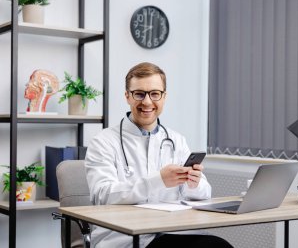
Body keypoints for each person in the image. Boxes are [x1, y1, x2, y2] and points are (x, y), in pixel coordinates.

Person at [85, 62, 233, 248]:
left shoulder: (176, 140)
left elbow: (204, 193)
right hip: (124, 238)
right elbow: (102, 196)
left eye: (155, 94)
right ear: (127, 97)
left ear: (164, 97)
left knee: (218, 245)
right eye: (139, 94)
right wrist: (158, 180)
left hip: (172, 231)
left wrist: (193, 184)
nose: (147, 102)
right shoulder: (103, 141)